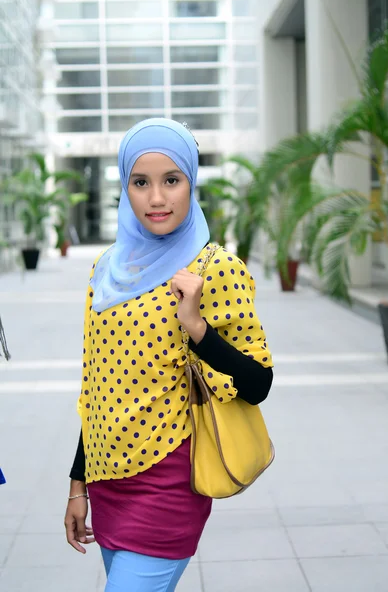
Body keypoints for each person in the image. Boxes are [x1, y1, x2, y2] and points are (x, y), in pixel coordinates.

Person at [64, 118, 274, 592]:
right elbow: (96, 386)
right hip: (105, 476)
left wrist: (198, 328)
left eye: (171, 180)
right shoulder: (106, 270)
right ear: (126, 187)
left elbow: (258, 383)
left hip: (168, 480)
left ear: (191, 182)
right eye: (140, 182)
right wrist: (78, 485)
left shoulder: (214, 266)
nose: (156, 198)